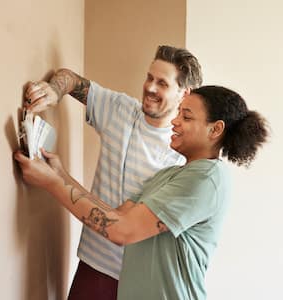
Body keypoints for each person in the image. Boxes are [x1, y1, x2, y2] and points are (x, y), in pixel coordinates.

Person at [15, 85, 269, 299]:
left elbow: (121, 230)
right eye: (179, 113)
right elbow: (114, 216)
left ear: (215, 129)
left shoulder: (208, 178)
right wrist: (60, 175)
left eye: (187, 117)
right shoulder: (169, 175)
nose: (175, 121)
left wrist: (51, 183)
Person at [23, 45, 203, 299]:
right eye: (149, 77)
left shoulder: (182, 153)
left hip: (143, 283)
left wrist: (57, 180)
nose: (150, 87)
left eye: (162, 83)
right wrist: (54, 90)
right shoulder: (119, 109)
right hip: (94, 267)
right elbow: (70, 79)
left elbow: (125, 222)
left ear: (184, 94)